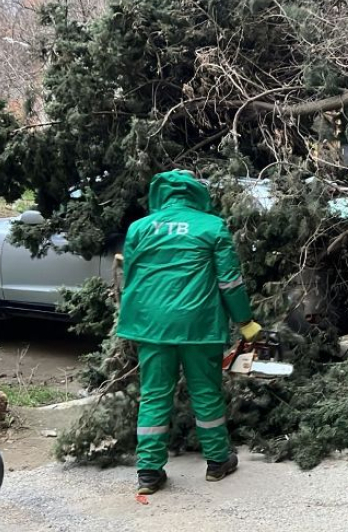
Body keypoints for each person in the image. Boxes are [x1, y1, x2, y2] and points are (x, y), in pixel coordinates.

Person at [118, 170, 262, 495]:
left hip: (152, 327)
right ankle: (217, 461)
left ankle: (149, 473)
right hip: (199, 325)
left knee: (154, 394)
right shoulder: (211, 226)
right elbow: (229, 281)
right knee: (205, 392)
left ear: (161, 193)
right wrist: (244, 321)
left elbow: (132, 280)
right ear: (198, 194)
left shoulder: (139, 229)